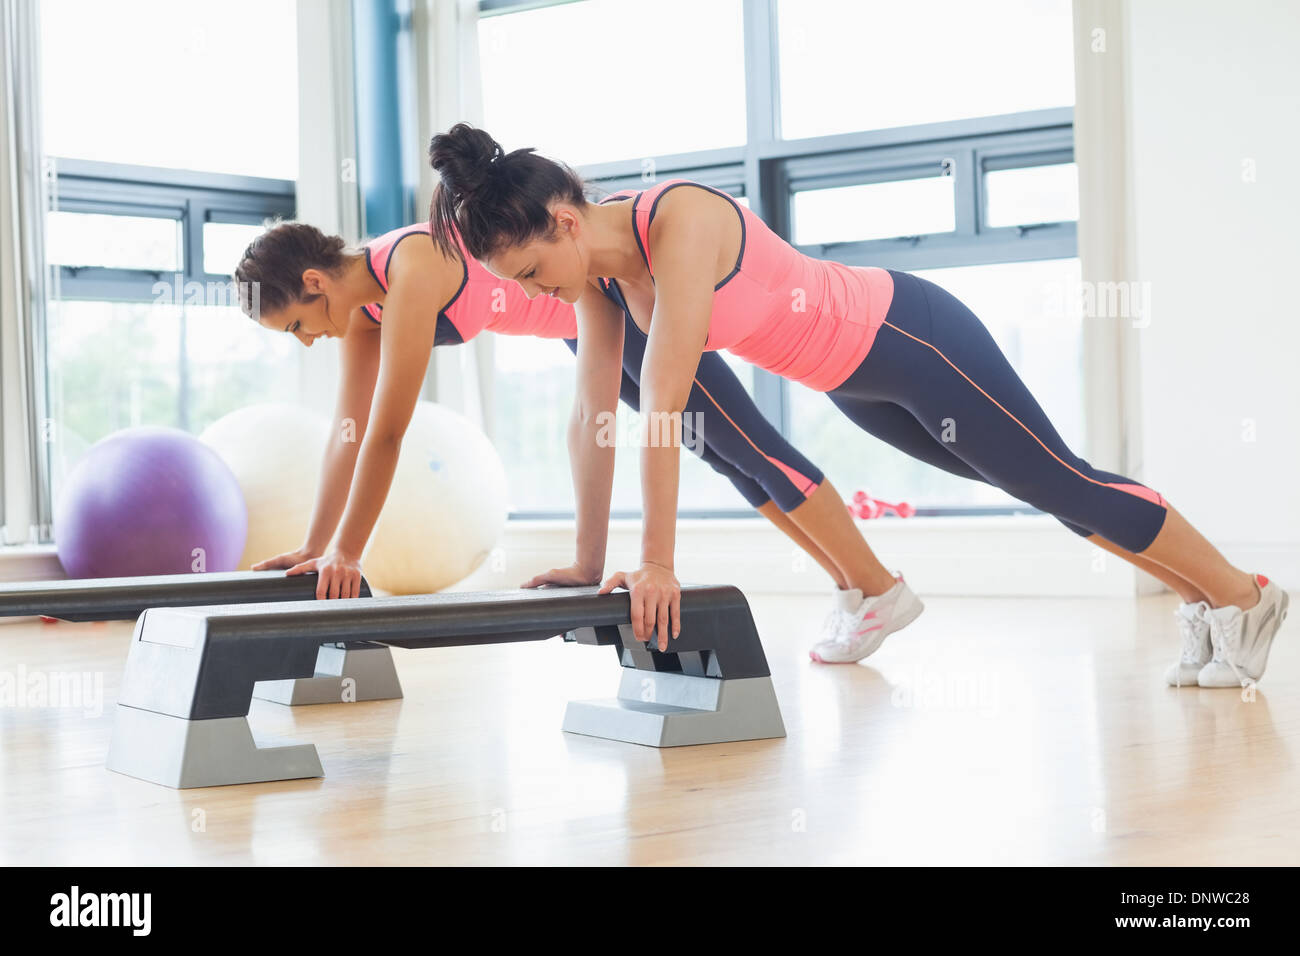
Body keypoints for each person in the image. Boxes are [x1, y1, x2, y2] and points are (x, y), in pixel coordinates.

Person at [427, 123, 1288, 687]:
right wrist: (588, 561)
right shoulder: (602, 278)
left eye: (531, 273)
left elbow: (663, 400)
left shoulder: (677, 222)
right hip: (854, 384)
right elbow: (593, 413)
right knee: (1042, 490)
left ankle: (1245, 595)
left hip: (913, 338)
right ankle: (1209, 606)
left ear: (565, 223)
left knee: (1060, 481)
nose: (537, 292)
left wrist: (656, 561)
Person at [233, 218, 921, 649]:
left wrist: (348, 554)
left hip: (625, 296)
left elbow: (389, 431)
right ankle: (855, 591)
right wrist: (316, 548)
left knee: (749, 445)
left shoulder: (409, 266)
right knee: (728, 458)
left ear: (315, 282)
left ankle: (878, 586)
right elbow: (348, 433)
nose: (308, 343)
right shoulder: (362, 311)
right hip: (590, 323)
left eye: (296, 326)